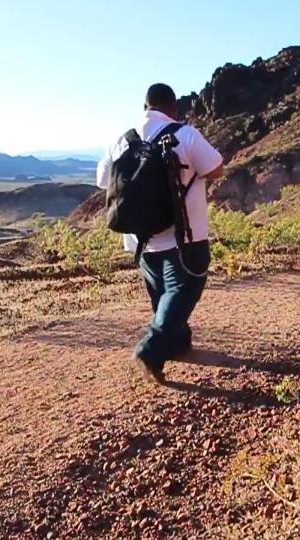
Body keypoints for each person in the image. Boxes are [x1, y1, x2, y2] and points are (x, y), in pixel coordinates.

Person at [96, 83, 224, 385]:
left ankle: (178, 343)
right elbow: (216, 167)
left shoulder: (122, 141)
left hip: (140, 240)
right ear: (173, 108)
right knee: (184, 289)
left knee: (162, 296)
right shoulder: (185, 134)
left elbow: (103, 180)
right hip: (184, 235)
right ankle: (150, 350)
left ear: (145, 107)